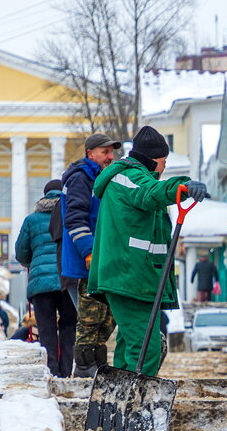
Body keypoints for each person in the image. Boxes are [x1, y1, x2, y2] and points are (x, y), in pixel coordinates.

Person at [89, 126, 208, 376]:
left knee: (129, 346)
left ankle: (116, 402)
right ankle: (135, 406)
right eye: (164, 162)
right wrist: (182, 187)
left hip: (132, 276)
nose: (163, 168)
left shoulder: (127, 177)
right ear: (154, 160)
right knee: (147, 348)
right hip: (128, 275)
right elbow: (150, 192)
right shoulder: (130, 178)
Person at [61, 132, 121, 377]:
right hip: (88, 261)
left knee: (108, 318)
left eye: (111, 152)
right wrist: (89, 252)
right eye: (105, 152)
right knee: (90, 319)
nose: (110, 156)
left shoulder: (103, 178)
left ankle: (96, 365)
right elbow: (75, 219)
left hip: (104, 259)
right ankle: (85, 369)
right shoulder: (81, 179)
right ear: (90, 154)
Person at [15, 179, 77, 376]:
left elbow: (21, 253)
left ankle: (52, 371)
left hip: (41, 284)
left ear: (44, 195)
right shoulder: (72, 215)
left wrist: (31, 261)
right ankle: (66, 371)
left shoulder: (32, 220)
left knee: (46, 329)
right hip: (68, 280)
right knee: (69, 327)